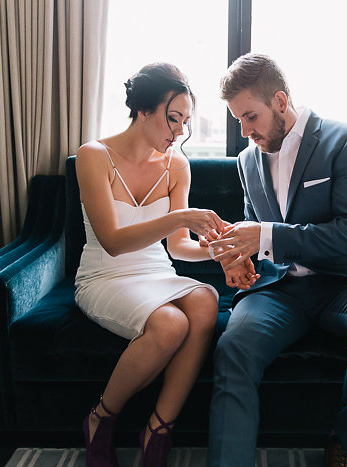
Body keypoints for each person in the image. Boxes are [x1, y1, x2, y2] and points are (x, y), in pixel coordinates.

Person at [206, 54, 347, 467]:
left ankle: (346, 441)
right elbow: (253, 224)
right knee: (232, 347)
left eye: (250, 117)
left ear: (280, 101)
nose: (244, 131)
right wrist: (238, 258)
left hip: (344, 283)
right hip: (278, 291)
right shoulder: (247, 159)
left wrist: (265, 237)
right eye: (237, 120)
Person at [74, 63, 253, 467]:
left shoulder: (176, 166)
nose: (179, 132)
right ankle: (100, 419)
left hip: (156, 274)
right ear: (143, 110)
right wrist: (178, 218)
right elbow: (114, 243)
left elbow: (179, 248)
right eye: (173, 119)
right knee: (171, 323)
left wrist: (222, 251)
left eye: (186, 121)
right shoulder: (94, 156)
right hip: (106, 275)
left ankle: (158, 429)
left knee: (206, 299)